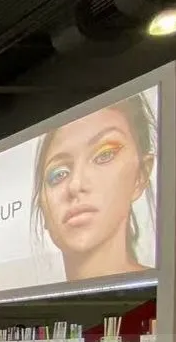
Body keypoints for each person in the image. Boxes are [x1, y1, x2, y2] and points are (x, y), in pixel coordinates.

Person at [32, 92, 157, 282]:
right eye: (59, 174)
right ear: (42, 210)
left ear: (141, 175)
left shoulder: (171, 292)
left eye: (104, 155)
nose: (75, 185)